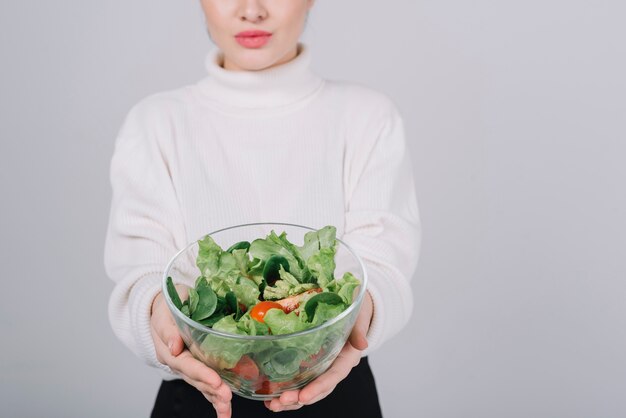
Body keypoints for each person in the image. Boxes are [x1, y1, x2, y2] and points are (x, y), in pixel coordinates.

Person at [104, 1, 421, 417]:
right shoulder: (155, 123)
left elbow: (381, 264)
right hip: (201, 396)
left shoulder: (367, 116)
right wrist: (163, 313)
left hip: (334, 384)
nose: (251, 10)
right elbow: (141, 274)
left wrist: (360, 311)